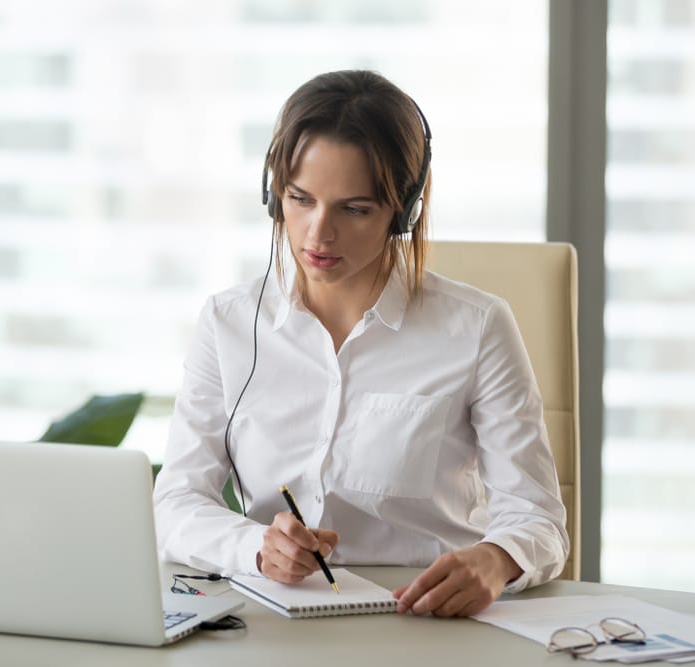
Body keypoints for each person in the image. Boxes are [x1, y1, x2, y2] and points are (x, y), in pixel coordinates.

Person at [153, 69, 568, 617]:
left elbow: (537, 518)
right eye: (300, 199)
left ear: (402, 213)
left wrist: (494, 558)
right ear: (273, 196)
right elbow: (176, 503)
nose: (317, 234)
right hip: (274, 625)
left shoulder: (479, 327)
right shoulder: (228, 324)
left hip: (423, 623)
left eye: (353, 209)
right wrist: (255, 548)